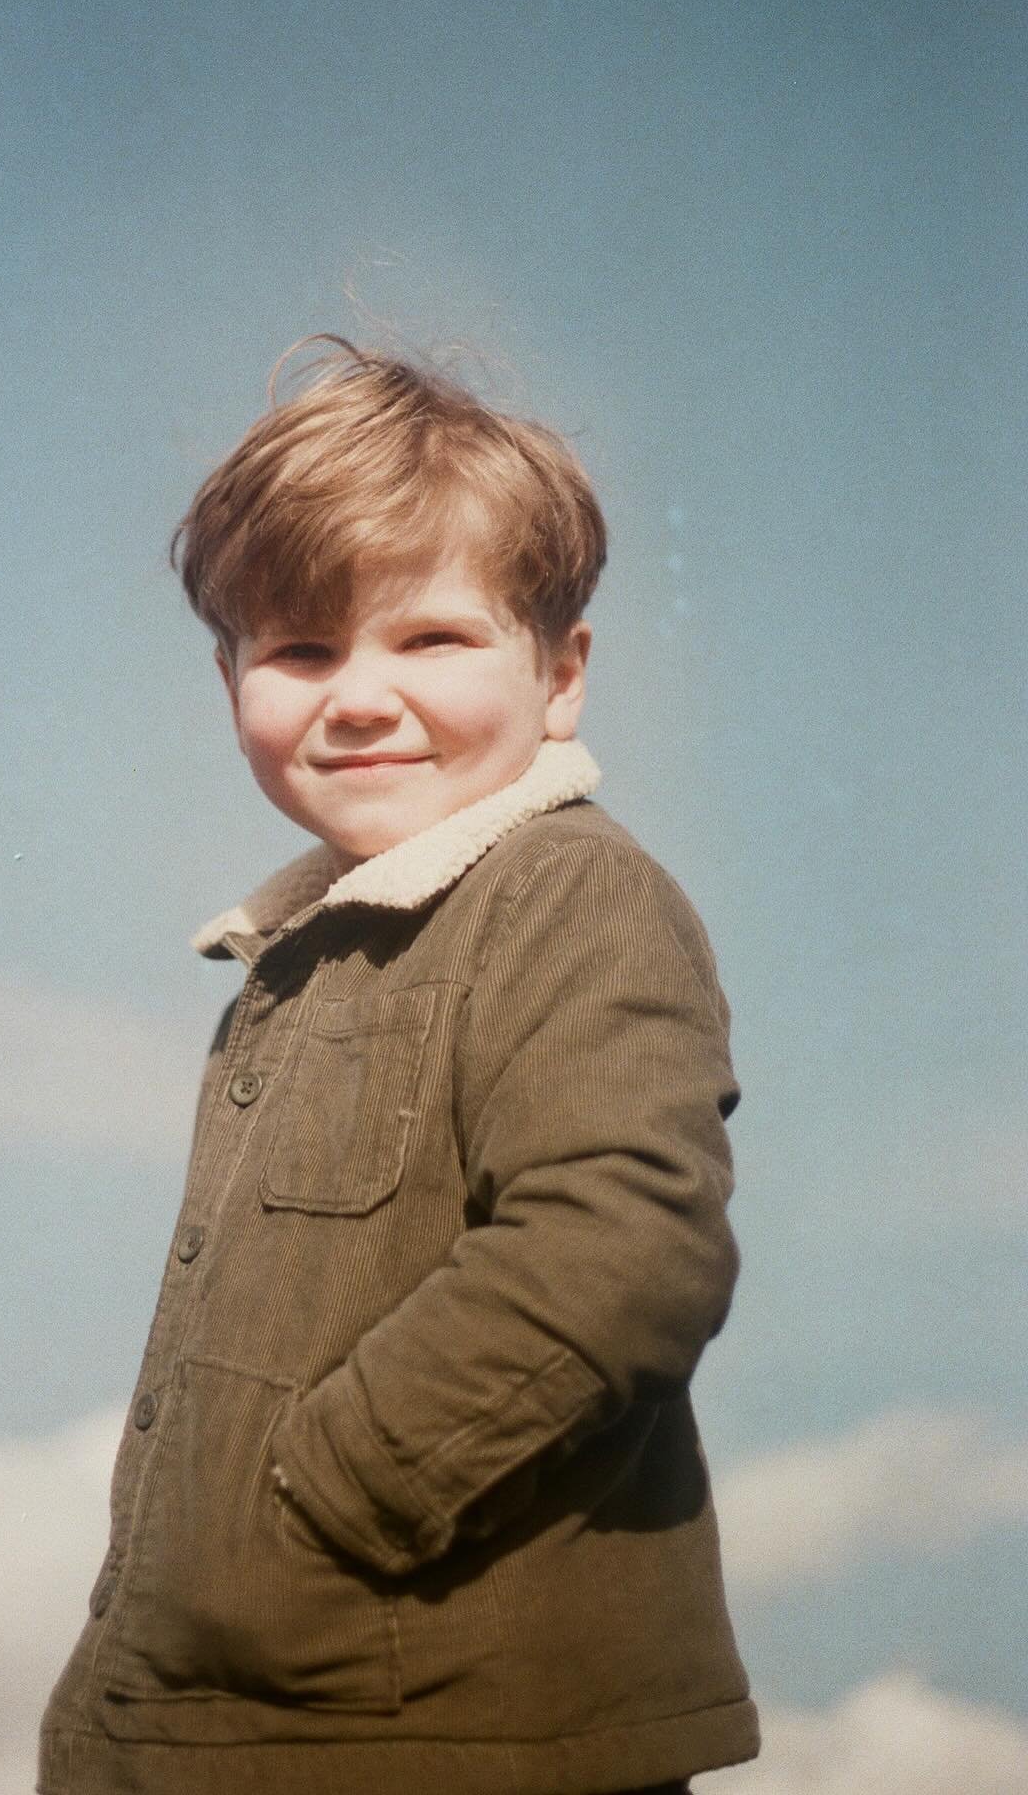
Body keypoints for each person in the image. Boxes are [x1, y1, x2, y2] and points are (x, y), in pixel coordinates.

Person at [38, 337, 758, 1795]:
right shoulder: (305, 955)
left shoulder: (565, 895)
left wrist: (322, 1496)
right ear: (231, 675)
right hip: (235, 1732)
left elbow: (621, 1251)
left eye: (429, 640)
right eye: (301, 649)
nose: (358, 697)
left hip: (457, 1737)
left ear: (560, 674)